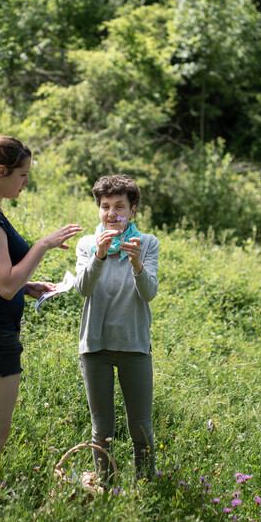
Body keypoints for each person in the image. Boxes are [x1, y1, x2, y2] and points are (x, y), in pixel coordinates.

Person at [0, 133, 82, 504]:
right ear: (1, 172)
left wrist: (29, 285)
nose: (25, 182)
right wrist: (41, 246)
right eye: (22, 175)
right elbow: (5, 285)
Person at [74, 174, 159, 483]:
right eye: (105, 206)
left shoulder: (146, 244)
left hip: (134, 345)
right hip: (95, 346)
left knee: (141, 426)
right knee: (102, 428)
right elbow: (83, 289)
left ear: (132, 210)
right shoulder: (87, 244)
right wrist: (99, 254)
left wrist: (136, 264)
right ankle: (107, 491)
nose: (111, 213)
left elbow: (149, 293)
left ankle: (147, 490)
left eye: (119, 206)